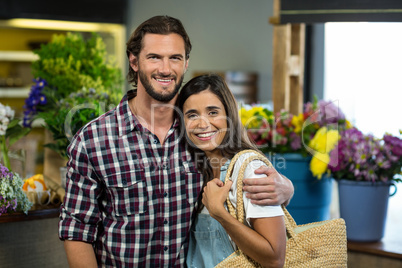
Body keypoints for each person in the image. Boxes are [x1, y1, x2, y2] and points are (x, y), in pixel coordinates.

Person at [59, 15, 293, 267]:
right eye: (154, 57)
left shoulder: (200, 135)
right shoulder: (93, 140)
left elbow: (242, 169)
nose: (165, 68)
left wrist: (286, 187)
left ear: (186, 63)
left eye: (175, 58)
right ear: (134, 60)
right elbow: (78, 229)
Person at [177, 74, 286, 268]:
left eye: (212, 112)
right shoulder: (196, 168)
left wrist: (220, 213)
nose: (203, 124)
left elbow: (275, 258)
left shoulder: (249, 169)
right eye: (192, 115)